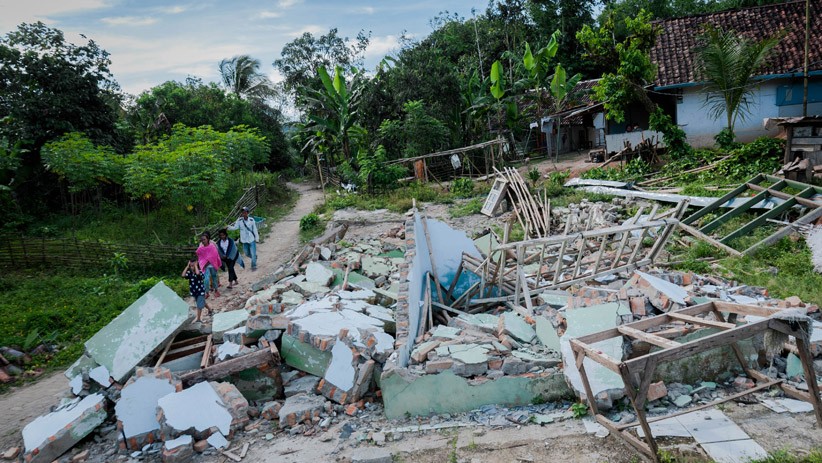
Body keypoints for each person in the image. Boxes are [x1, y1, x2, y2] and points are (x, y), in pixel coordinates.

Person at [228, 206, 259, 271]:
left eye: (245, 212)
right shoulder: (239, 220)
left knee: (253, 253)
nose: (243, 213)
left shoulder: (251, 220)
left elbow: (255, 229)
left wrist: (257, 238)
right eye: (242, 212)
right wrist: (228, 227)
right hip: (244, 240)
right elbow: (235, 227)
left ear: (247, 213)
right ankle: (254, 257)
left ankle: (253, 266)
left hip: (251, 239)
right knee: (247, 253)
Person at [182, 257, 211, 322]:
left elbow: (198, 274)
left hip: (200, 291)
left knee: (199, 305)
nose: (192, 267)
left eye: (193, 266)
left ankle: (198, 319)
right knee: (201, 302)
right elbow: (183, 275)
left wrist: (195, 265)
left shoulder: (200, 272)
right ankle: (210, 310)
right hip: (194, 292)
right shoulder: (189, 273)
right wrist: (187, 266)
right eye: (191, 266)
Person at [196, 231, 222, 298]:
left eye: (204, 239)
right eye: (202, 240)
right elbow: (200, 257)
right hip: (205, 266)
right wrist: (203, 263)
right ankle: (207, 292)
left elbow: (214, 255)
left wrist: (207, 262)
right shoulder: (200, 248)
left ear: (208, 239)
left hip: (212, 265)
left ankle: (216, 290)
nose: (203, 241)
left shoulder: (212, 246)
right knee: (206, 279)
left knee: (214, 277)